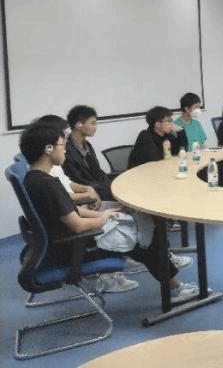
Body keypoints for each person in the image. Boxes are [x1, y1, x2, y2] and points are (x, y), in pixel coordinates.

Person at [21, 122, 201, 302]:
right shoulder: (48, 185)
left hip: (62, 246)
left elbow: (71, 210)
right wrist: (104, 218)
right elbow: (78, 225)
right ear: (48, 148)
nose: (66, 150)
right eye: (62, 145)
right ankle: (176, 290)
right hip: (76, 250)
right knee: (147, 239)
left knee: (139, 230)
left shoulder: (34, 178)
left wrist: (102, 215)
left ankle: (173, 284)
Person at [62, 105, 114, 201]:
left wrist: (110, 185)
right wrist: (105, 188)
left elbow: (98, 172)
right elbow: (77, 180)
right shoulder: (66, 150)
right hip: (87, 196)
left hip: (99, 189)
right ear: (78, 125)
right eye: (92, 123)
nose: (95, 127)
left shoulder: (87, 145)